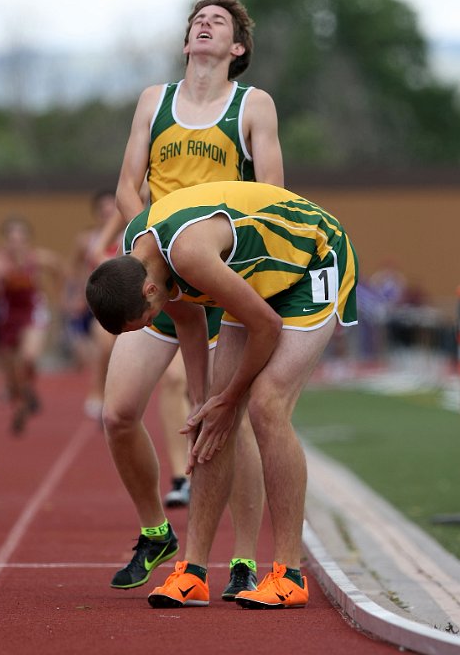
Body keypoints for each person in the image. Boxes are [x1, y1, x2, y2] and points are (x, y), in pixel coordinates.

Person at [86, 179, 359, 609]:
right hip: (258, 277)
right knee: (213, 420)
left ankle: (288, 573)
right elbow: (190, 322)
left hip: (314, 259)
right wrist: (203, 403)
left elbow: (266, 326)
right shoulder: (136, 254)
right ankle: (193, 572)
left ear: (149, 291)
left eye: (147, 318)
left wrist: (229, 400)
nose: (151, 323)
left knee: (266, 406)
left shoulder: (189, 256)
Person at [95, 0, 284, 597]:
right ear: (185, 42)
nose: (204, 24)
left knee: (228, 421)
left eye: (218, 22)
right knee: (119, 414)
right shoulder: (155, 101)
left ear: (237, 48)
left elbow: (274, 197)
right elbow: (129, 184)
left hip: (224, 279)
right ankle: (157, 533)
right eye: (197, 20)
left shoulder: (253, 105)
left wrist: (210, 257)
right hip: (161, 275)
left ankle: (245, 560)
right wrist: (153, 246)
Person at [0, 216, 65, 434]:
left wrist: (60, 296)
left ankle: (25, 400)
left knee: (28, 357)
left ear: (27, 240)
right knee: (12, 374)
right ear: (6, 241)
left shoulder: (37, 258)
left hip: (32, 314)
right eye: (12, 239)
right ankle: (22, 395)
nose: (17, 243)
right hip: (6, 319)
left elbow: (59, 268)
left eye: (21, 238)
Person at [62, 189, 118, 422]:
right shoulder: (88, 240)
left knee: (116, 354)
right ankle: (97, 392)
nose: (107, 215)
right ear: (96, 215)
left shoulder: (132, 235)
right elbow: (74, 267)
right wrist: (72, 294)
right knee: (103, 347)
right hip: (96, 304)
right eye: (103, 212)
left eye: (111, 211)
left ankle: (113, 395)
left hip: (125, 303)